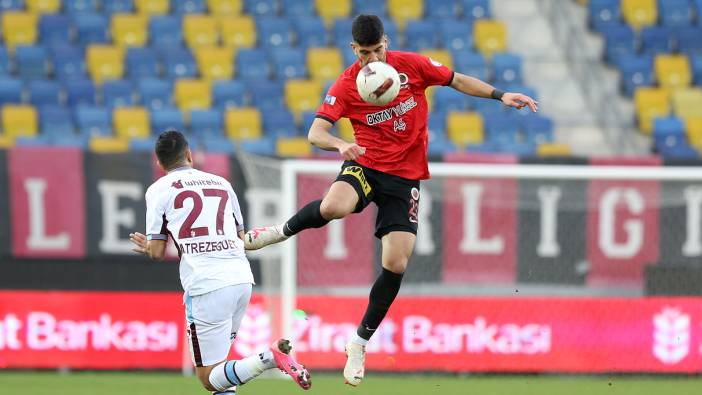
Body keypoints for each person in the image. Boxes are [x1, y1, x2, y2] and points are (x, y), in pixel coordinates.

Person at [244, 14, 538, 386]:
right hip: (366, 165)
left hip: (405, 177)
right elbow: (316, 132)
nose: (371, 58)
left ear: (386, 41)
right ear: (354, 49)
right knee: (335, 204)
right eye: (364, 52)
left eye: (377, 49)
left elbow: (457, 79)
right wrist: (341, 145)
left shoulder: (412, 65)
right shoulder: (348, 84)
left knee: (396, 262)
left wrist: (500, 95)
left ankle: (358, 342)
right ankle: (277, 232)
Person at [129, 130, 311, 394]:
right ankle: (268, 359)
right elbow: (240, 236)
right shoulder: (221, 183)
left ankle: (269, 358)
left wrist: (148, 246)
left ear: (159, 163)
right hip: (241, 279)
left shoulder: (158, 190)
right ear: (189, 155)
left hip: (206, 285)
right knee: (222, 371)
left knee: (208, 376)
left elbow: (157, 252)